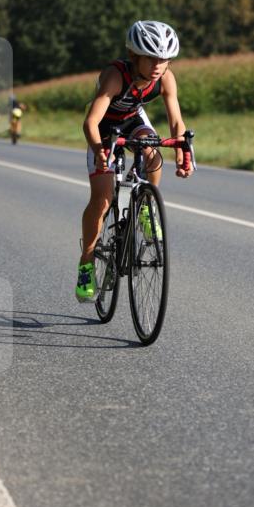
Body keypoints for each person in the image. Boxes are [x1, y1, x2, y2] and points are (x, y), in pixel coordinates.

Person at [76, 20, 192, 302]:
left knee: (152, 151)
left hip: (132, 121)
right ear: (134, 56)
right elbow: (90, 122)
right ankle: (87, 263)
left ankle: (145, 206)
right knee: (102, 200)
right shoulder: (115, 76)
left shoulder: (165, 77)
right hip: (104, 131)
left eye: (164, 59)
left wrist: (181, 150)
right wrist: (100, 152)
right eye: (150, 57)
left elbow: (176, 120)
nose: (157, 65)